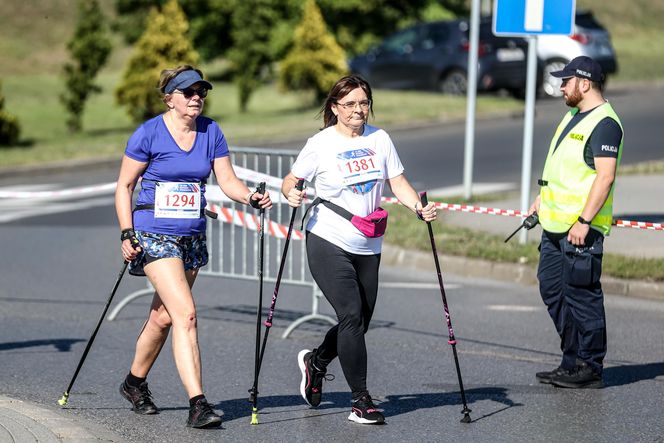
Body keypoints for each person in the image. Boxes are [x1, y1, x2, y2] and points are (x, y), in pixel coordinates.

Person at [115, 65, 271, 428]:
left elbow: (228, 179)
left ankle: (133, 383)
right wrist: (127, 232)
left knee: (164, 316)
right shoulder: (148, 133)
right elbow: (124, 186)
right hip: (154, 231)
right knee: (185, 313)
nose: (197, 98)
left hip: (193, 236)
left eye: (201, 91)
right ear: (170, 98)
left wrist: (250, 197)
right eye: (189, 92)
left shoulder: (211, 131)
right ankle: (198, 404)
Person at [281, 75, 437, 424]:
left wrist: (418, 207)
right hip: (328, 238)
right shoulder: (320, 143)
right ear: (335, 107)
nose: (357, 110)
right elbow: (291, 180)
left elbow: (398, 182)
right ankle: (360, 400)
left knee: (360, 322)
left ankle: (316, 362)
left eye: (363, 103)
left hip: (369, 241)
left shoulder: (379, 139)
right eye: (349, 104)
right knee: (350, 314)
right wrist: (290, 192)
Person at [528, 56, 623, 389]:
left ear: (585, 83)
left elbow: (605, 177)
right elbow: (562, 169)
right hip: (555, 226)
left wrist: (585, 221)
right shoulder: (572, 116)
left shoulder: (605, 123)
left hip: (581, 229)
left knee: (582, 296)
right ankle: (571, 360)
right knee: (553, 290)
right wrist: (542, 199)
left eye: (566, 81)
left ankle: (590, 366)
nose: (561, 86)